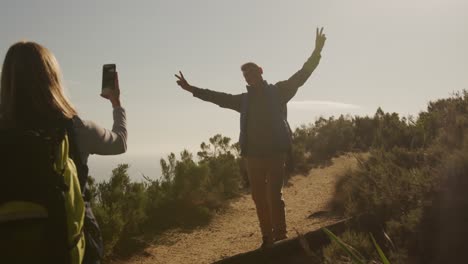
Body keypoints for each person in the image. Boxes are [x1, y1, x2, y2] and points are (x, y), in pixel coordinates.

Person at [175, 28, 326, 247]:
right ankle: (267, 237)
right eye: (245, 75)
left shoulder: (279, 91)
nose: (249, 76)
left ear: (261, 71)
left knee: (274, 196)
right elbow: (218, 97)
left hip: (276, 154)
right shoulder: (243, 100)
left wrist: (317, 51)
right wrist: (191, 89)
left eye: (252, 72)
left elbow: (302, 75)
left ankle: (280, 235)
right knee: (258, 198)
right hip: (253, 158)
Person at [0, 41, 127, 263]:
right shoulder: (76, 129)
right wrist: (116, 102)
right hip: (71, 251)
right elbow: (120, 142)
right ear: (53, 79)